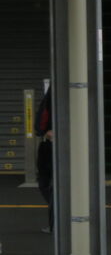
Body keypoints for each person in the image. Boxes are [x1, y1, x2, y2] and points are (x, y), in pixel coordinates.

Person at [35, 85, 52, 232]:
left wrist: (43, 131)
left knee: (45, 183)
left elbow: (40, 122)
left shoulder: (51, 98)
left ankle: (56, 220)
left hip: (49, 146)